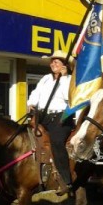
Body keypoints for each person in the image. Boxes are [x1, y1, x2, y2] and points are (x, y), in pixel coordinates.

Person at [26, 50, 75, 195]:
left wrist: (64, 77)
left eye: (57, 62)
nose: (53, 63)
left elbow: (68, 97)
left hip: (61, 118)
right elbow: (36, 93)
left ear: (64, 66)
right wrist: (31, 103)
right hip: (42, 116)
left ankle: (66, 179)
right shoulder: (46, 78)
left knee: (57, 141)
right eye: (52, 61)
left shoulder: (70, 80)